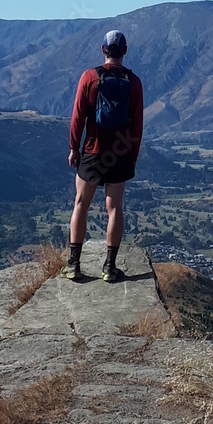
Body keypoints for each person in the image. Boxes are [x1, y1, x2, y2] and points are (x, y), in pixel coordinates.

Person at [62, 30, 144, 282]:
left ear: (102, 49)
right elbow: (137, 124)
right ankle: (109, 267)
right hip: (119, 154)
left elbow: (78, 116)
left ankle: (74, 264)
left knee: (80, 204)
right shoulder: (134, 82)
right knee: (115, 207)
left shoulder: (90, 77)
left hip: (92, 149)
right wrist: (133, 155)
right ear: (125, 51)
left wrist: (74, 147)